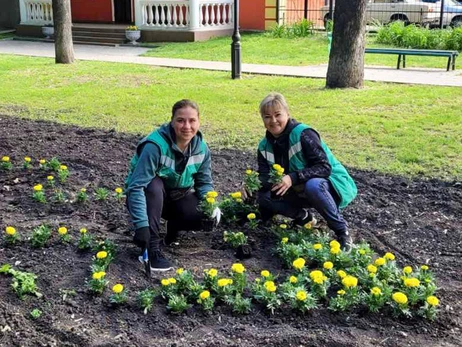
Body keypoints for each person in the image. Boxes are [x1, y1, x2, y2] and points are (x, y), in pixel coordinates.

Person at [256, 92, 357, 250]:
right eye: (267, 116)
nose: (273, 121)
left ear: (287, 114)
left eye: (277, 115)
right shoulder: (264, 146)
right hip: (297, 190)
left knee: (313, 185)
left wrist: (292, 178)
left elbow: (324, 167)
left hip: (330, 186)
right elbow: (264, 177)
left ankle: (342, 231)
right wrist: (250, 185)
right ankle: (303, 217)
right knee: (262, 196)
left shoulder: (304, 134)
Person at [125, 99, 215, 272]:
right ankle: (152, 248)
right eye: (180, 120)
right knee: (153, 184)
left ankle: (172, 228)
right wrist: (142, 225)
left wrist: (212, 205)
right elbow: (136, 187)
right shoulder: (155, 146)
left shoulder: (202, 149)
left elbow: (204, 183)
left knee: (202, 213)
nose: (186, 126)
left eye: (192, 121)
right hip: (149, 198)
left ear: (199, 122)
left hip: (176, 197)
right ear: (172, 121)